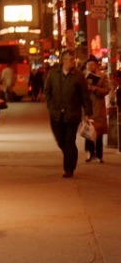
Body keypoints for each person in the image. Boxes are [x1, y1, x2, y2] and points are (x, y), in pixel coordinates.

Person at [44, 48, 93, 178]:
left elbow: (85, 96)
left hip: (72, 115)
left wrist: (88, 113)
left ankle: (68, 168)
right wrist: (50, 106)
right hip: (56, 115)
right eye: (71, 59)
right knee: (61, 141)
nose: (73, 62)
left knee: (69, 140)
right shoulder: (53, 73)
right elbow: (47, 91)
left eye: (74, 59)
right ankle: (71, 156)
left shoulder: (78, 75)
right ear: (63, 60)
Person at [83, 56, 109, 163]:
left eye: (93, 65)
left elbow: (106, 90)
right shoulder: (83, 77)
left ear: (96, 66)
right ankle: (89, 153)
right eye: (89, 65)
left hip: (99, 108)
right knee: (88, 132)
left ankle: (99, 155)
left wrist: (95, 89)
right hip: (88, 107)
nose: (91, 67)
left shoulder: (102, 76)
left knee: (99, 133)